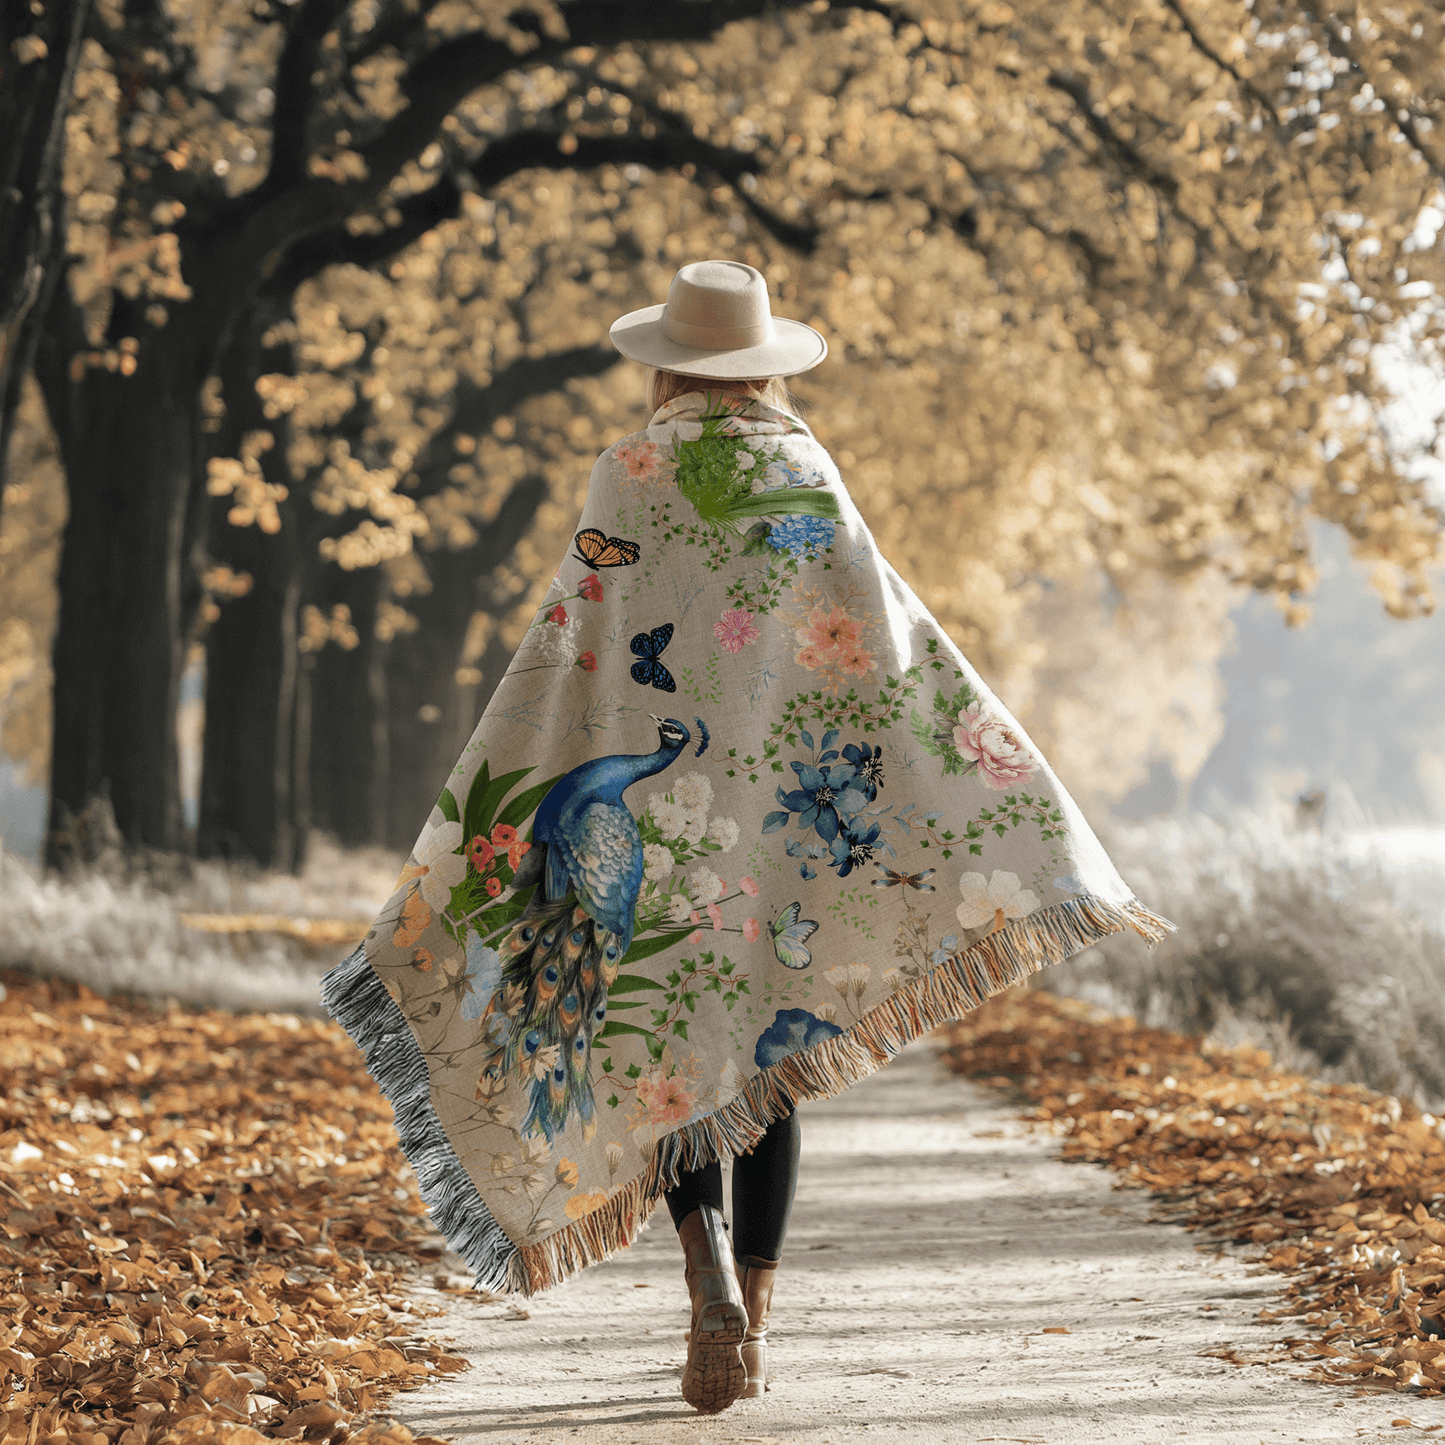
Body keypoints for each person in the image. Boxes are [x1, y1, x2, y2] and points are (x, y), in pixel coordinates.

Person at [323, 260, 1169, 1419]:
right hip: (778, 816)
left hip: (646, 827)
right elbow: (888, 638)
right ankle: (752, 1318)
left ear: (665, 362)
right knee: (769, 1056)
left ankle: (703, 1269)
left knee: (672, 1047)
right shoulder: (807, 474)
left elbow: (571, 642)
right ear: (762, 368)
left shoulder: (623, 473)